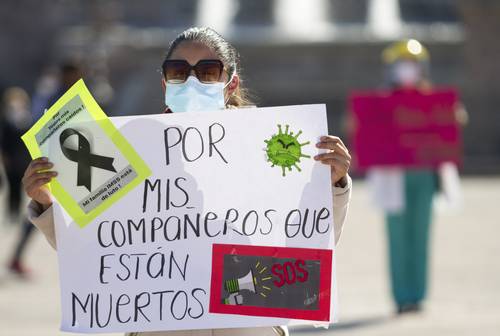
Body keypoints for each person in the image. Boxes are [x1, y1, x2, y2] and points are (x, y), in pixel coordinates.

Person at [22, 27, 352, 336]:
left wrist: (333, 185)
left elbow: (309, 243)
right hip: (163, 322)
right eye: (179, 71)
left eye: (207, 71)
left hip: (247, 321)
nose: (192, 80)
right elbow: (97, 247)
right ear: (166, 83)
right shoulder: (130, 147)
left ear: (230, 84)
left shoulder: (270, 146)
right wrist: (46, 201)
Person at [368, 39, 463, 314]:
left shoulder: (433, 100)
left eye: (411, 65)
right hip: (393, 176)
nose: (406, 70)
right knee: (397, 237)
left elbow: (448, 129)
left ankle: (417, 295)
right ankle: (400, 297)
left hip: (424, 175)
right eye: (401, 65)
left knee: (421, 235)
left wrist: (453, 118)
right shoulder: (381, 102)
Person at [1, 87, 35, 277]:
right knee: (29, 210)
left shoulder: (27, 117)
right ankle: (16, 258)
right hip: (15, 166)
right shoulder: (8, 120)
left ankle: (16, 258)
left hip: (27, 164)